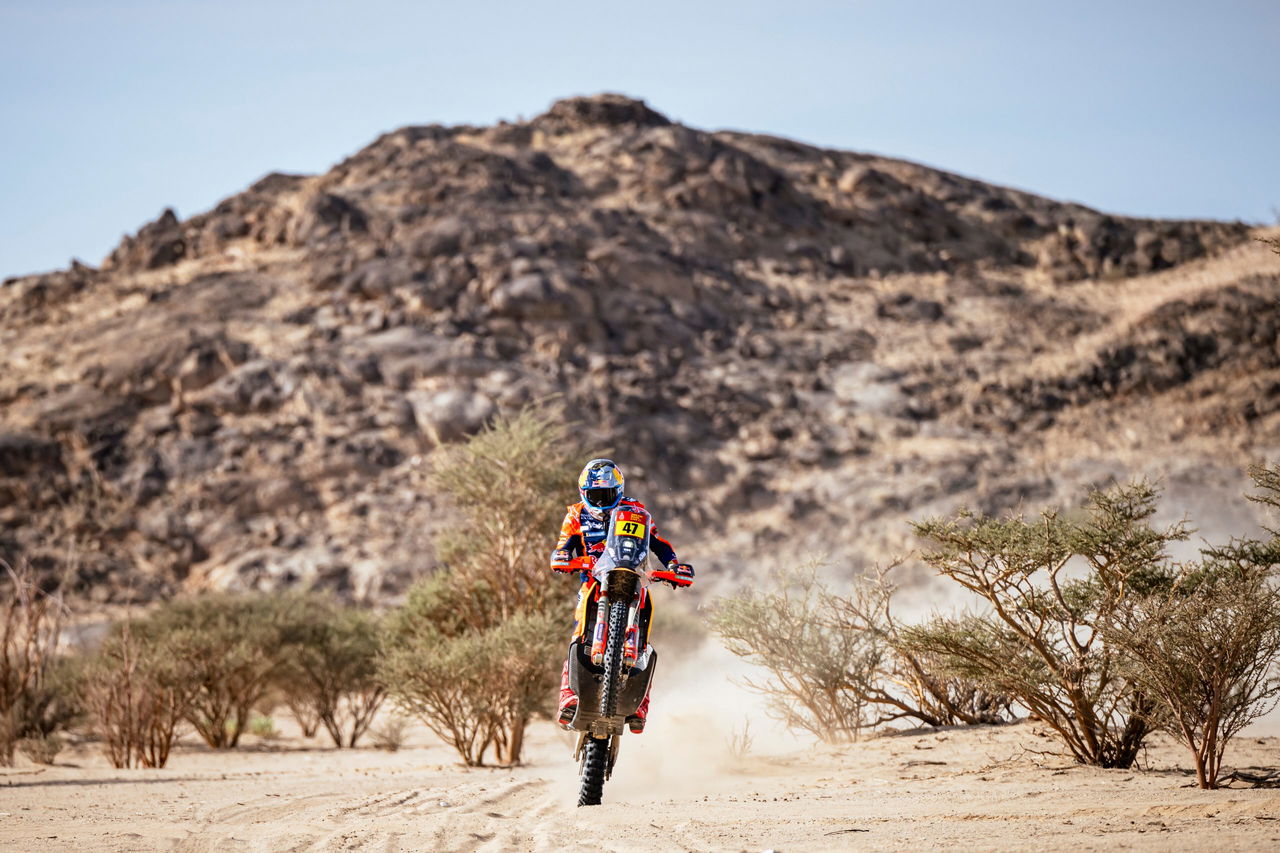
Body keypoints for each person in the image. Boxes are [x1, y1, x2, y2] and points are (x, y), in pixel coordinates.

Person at [550, 458, 694, 733]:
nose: (602, 502)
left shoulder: (635, 511)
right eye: (596, 496)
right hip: (592, 581)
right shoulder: (576, 515)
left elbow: (657, 543)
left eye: (608, 496)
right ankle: (568, 695)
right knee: (578, 631)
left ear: (619, 491)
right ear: (584, 494)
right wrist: (563, 556)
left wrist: (674, 565)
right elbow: (564, 545)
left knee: (646, 634)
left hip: (633, 578)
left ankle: (641, 704)